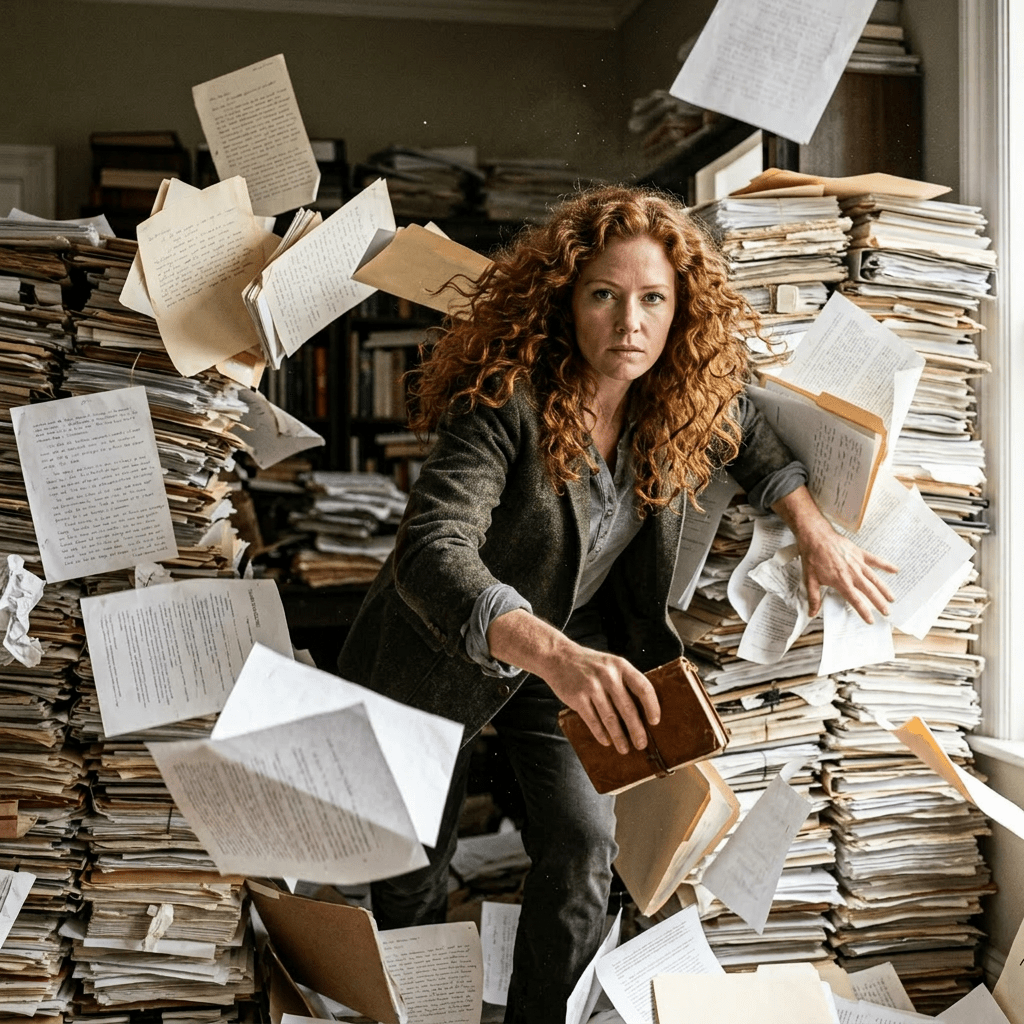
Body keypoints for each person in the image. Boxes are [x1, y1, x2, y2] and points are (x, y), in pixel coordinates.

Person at [337, 184, 896, 1023]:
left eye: (652, 300)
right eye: (604, 294)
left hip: (574, 653)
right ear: (565, 301)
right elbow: (434, 547)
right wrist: (554, 655)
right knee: (413, 877)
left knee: (587, 850)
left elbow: (755, 439)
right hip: (439, 650)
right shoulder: (504, 400)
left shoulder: (682, 395)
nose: (629, 322)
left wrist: (815, 530)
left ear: (681, 312)